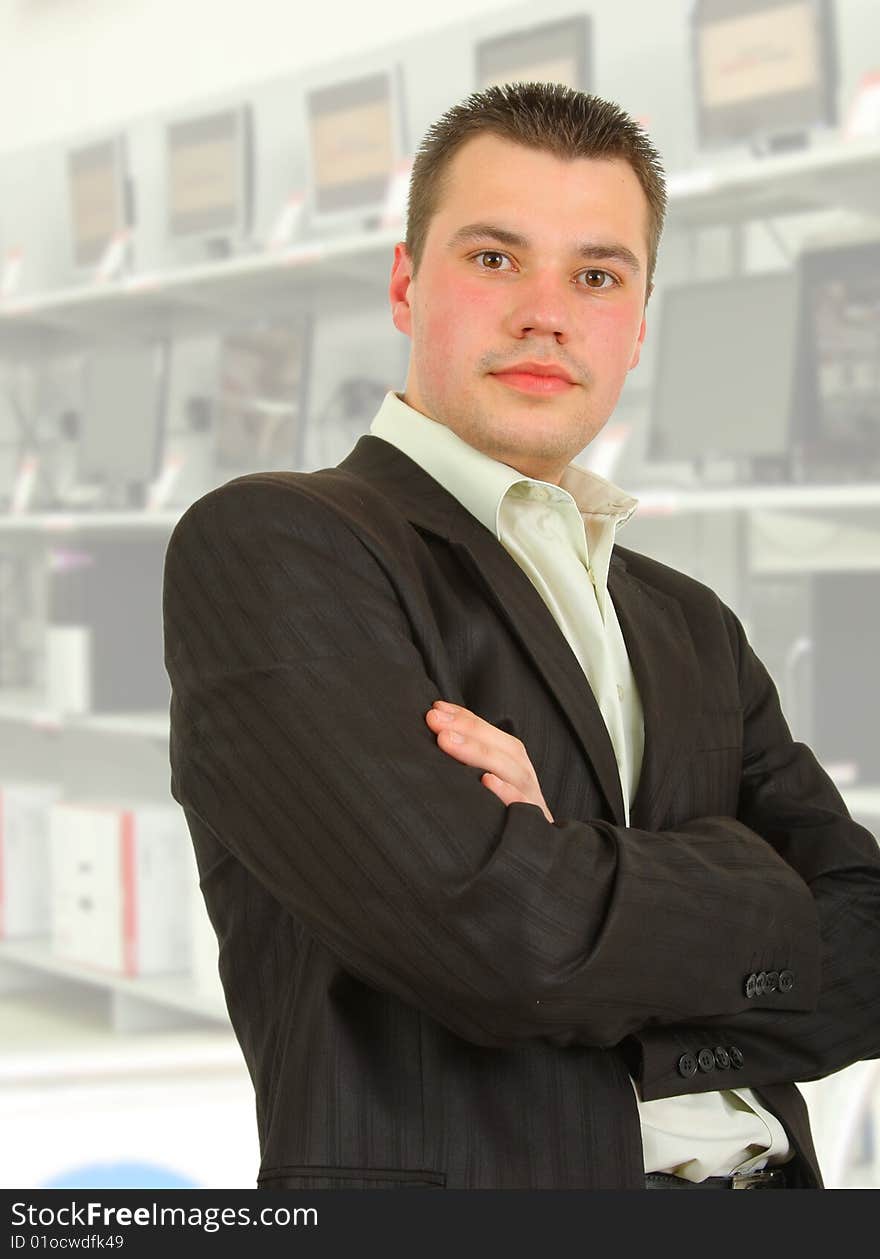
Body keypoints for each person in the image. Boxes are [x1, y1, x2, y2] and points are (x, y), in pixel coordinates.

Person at [162, 83, 880, 1190]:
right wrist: (748, 880)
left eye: (595, 275)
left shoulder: (688, 619)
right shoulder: (280, 544)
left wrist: (569, 871)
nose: (546, 311)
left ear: (637, 322)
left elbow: (869, 948)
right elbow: (497, 940)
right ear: (407, 285)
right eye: (495, 258)